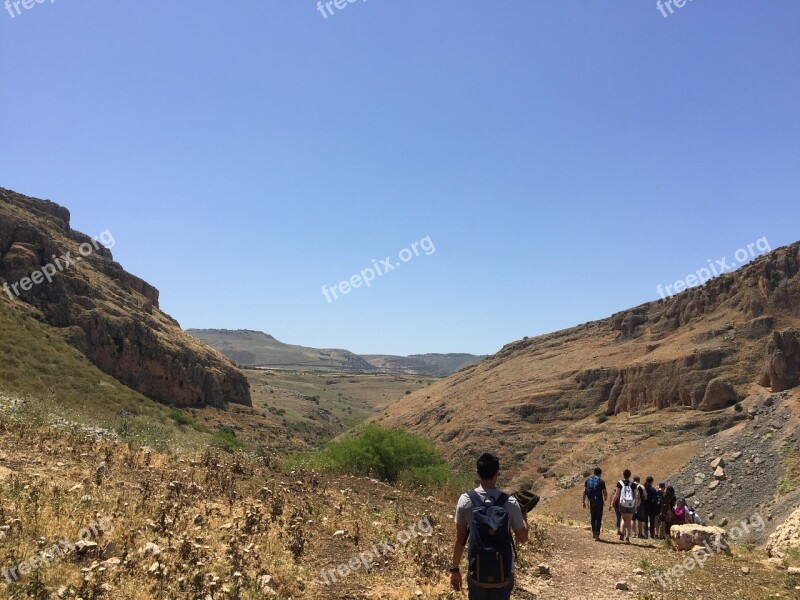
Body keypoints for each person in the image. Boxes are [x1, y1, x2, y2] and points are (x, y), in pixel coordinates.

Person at [451, 453, 529, 599]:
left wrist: (454, 569)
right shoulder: (510, 502)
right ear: (497, 473)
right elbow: (523, 538)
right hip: (504, 572)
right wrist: (524, 514)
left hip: (477, 570)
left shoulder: (465, 500)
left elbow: (460, 539)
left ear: (477, 473)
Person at [609, 469, 636, 543]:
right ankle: (627, 538)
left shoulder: (619, 483)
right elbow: (635, 496)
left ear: (623, 475)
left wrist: (612, 504)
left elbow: (617, 495)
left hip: (623, 503)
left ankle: (622, 534)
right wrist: (635, 505)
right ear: (629, 475)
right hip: (631, 504)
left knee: (623, 519)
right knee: (629, 520)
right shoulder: (633, 484)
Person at [582, 467, 608, 540]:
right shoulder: (601, 481)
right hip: (599, 501)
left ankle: (593, 532)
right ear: (600, 474)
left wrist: (583, 502)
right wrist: (605, 498)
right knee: (599, 518)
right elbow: (605, 493)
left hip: (591, 501)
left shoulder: (588, 480)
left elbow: (584, 492)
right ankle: (597, 534)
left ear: (594, 473)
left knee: (593, 517)